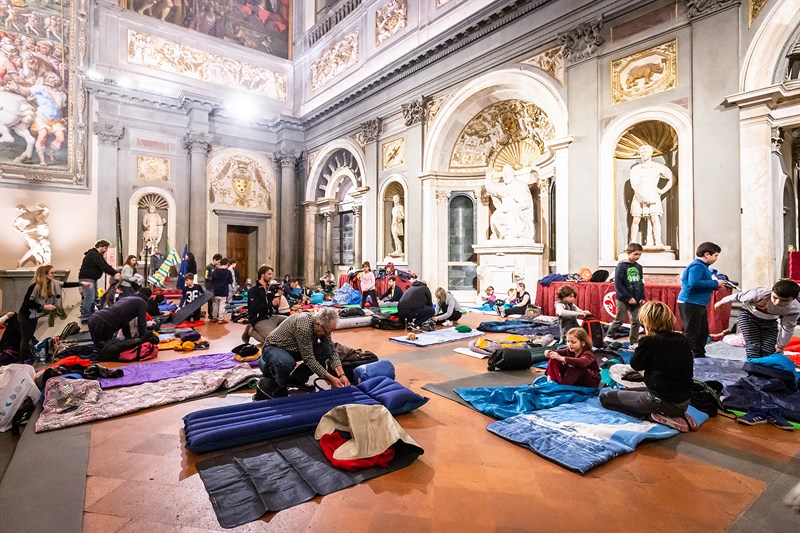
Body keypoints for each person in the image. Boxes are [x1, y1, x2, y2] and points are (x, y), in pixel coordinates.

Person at [599, 302, 697, 432]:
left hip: (661, 400)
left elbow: (636, 365)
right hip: (684, 400)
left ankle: (654, 416)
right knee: (629, 391)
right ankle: (676, 413)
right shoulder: (683, 339)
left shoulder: (649, 341)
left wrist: (641, 347)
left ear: (647, 321)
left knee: (606, 398)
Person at [258, 308, 349, 397]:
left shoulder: (323, 327)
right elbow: (309, 359)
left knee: (326, 349)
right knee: (286, 363)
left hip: (294, 349)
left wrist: (342, 375)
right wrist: (331, 378)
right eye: (327, 332)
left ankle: (297, 380)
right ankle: (280, 385)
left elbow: (332, 350)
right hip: (273, 348)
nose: (328, 335)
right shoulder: (304, 326)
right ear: (318, 324)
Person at [714, 279, 800, 358]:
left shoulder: (794, 309)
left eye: (784, 300)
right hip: (748, 316)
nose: (777, 302)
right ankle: (753, 368)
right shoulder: (760, 293)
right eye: (775, 297)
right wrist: (721, 302)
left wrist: (781, 345)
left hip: (769, 321)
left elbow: (787, 328)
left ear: (793, 299)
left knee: (769, 349)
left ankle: (765, 369)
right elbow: (738, 296)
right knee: (753, 345)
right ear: (772, 292)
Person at [18, 265, 81, 361]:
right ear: (45, 274)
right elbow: (27, 303)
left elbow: (66, 284)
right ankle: (23, 361)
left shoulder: (52, 283)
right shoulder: (34, 286)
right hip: (25, 316)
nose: (53, 275)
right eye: (52, 273)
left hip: (33, 316)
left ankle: (28, 357)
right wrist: (44, 306)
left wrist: (81, 283)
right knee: (26, 339)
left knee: (28, 337)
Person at [678, 242, 725, 358]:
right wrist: (715, 283)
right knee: (691, 332)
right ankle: (685, 356)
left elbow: (701, 282)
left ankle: (698, 353)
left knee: (702, 332)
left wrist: (715, 285)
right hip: (690, 302)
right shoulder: (697, 266)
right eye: (716, 255)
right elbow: (694, 283)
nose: (716, 258)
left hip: (697, 303)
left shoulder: (703, 267)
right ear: (707, 254)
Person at [628, 145, 674, 248]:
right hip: (639, 196)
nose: (644, 154)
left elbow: (672, 178)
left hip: (653, 195)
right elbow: (634, 184)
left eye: (646, 152)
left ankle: (658, 242)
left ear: (651, 153)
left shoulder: (657, 167)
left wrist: (662, 191)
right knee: (636, 219)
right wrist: (643, 196)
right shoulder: (636, 169)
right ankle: (632, 242)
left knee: (654, 218)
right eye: (642, 152)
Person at [604, 243, 645, 346]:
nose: (638, 257)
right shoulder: (621, 266)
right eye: (636, 254)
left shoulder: (639, 267)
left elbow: (640, 282)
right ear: (628, 253)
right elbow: (618, 284)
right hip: (623, 297)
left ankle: (633, 342)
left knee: (636, 320)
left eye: (640, 254)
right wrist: (628, 297)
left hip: (636, 298)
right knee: (620, 319)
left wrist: (642, 296)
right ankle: (609, 336)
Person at [484, 164, 535, 240]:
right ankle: (503, 236)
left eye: (507, 174)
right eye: (504, 174)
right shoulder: (503, 187)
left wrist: (512, 207)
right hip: (503, 210)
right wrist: (488, 178)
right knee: (494, 217)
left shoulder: (521, 185)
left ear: (512, 174)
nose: (505, 176)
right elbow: (491, 189)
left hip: (516, 211)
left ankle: (511, 235)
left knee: (512, 215)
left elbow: (526, 203)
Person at [78, 240, 121, 324]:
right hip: (87, 279)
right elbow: (103, 266)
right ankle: (86, 316)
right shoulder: (94, 254)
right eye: (105, 247)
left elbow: (104, 265)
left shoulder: (96, 254)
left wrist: (114, 272)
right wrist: (114, 273)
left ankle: (91, 315)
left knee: (93, 297)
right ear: (100, 246)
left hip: (90, 278)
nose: (106, 250)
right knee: (89, 298)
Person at [245, 265, 287, 344]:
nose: (271, 276)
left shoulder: (270, 289)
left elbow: (274, 307)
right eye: (269, 274)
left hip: (271, 317)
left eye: (271, 274)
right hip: (259, 319)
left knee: (291, 321)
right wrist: (271, 303)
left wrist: (279, 296)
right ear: (262, 274)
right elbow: (254, 308)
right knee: (272, 341)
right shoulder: (253, 290)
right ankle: (251, 331)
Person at [210, 258, 233, 323]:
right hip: (224, 290)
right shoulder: (228, 272)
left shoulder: (215, 271)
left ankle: (214, 317)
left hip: (216, 290)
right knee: (222, 305)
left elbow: (212, 280)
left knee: (215, 304)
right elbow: (230, 281)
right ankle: (221, 318)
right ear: (227, 264)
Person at [204, 253, 222, 318]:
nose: (218, 263)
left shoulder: (217, 268)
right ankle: (210, 314)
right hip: (209, 286)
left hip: (215, 286)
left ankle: (215, 313)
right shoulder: (208, 267)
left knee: (215, 301)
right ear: (214, 260)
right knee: (210, 301)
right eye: (218, 261)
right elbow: (206, 276)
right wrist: (212, 279)